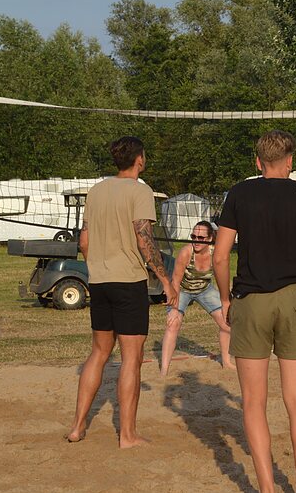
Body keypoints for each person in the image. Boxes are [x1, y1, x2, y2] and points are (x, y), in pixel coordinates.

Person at [214, 130, 296, 493]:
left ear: (257, 162)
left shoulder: (239, 194)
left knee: (253, 403)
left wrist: (224, 299)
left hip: (250, 299)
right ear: (290, 161)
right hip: (294, 298)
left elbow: (219, 257)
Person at [67, 136, 174, 447]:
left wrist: (99, 266)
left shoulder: (96, 190)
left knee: (99, 353)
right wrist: (165, 280)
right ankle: (127, 435)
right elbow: (144, 239)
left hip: (98, 280)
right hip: (128, 281)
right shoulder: (140, 190)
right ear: (139, 159)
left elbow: (84, 242)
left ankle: (77, 426)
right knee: (131, 358)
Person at [159, 220, 233, 376]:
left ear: (210, 239)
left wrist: (226, 301)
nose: (196, 240)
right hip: (182, 290)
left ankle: (226, 363)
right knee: (173, 323)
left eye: (201, 238)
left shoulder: (216, 253)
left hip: (204, 289)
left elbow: (222, 279)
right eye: (193, 236)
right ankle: (164, 371)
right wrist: (174, 309)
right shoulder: (186, 252)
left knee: (226, 322)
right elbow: (176, 281)